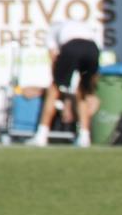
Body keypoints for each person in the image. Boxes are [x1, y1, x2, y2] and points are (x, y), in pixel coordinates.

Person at [27, 19, 102, 147]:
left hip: (72, 47)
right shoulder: (84, 28)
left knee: (53, 90)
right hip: (92, 49)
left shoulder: (52, 31)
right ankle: (84, 137)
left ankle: (41, 135)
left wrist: (59, 85)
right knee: (82, 92)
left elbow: (53, 58)